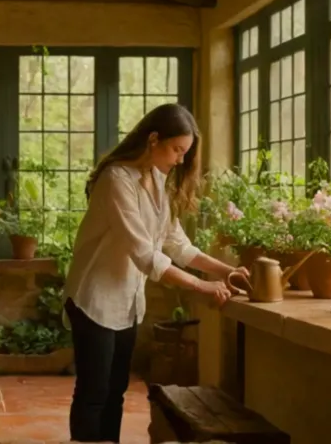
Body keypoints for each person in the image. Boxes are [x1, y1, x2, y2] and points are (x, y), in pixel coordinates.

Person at [62, 103, 250, 443]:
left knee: (116, 391)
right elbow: (145, 254)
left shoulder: (156, 182)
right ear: (153, 139)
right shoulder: (116, 180)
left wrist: (228, 270)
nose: (180, 160)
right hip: (95, 301)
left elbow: (178, 245)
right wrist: (202, 287)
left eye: (184, 152)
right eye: (177, 150)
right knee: (94, 393)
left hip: (126, 303)